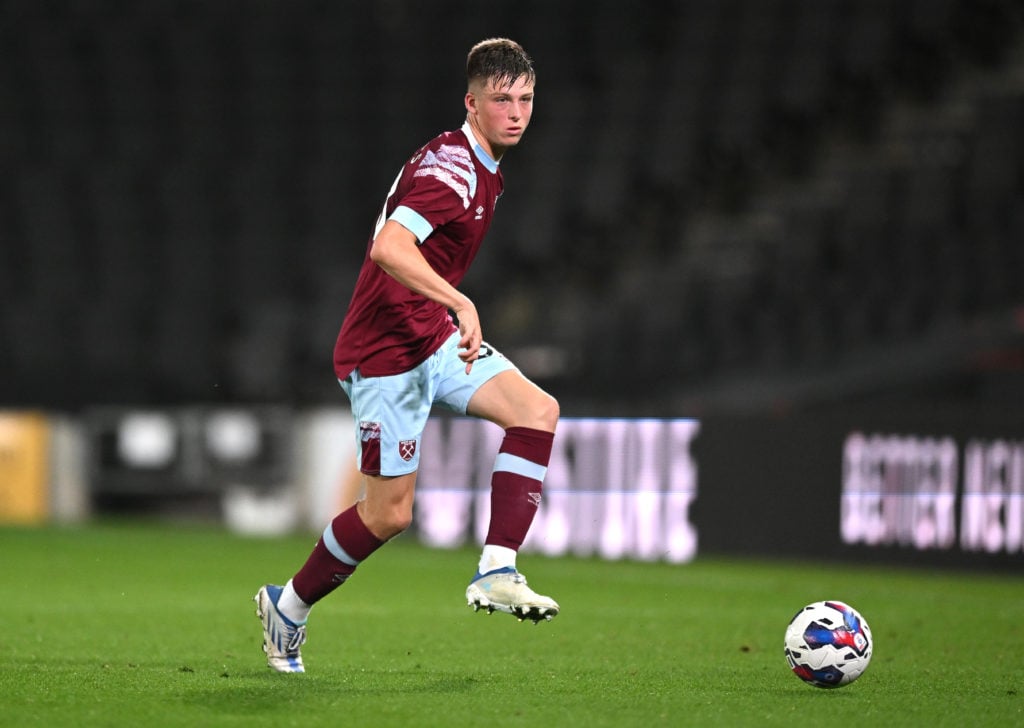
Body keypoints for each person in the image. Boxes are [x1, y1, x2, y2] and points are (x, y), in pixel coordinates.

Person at [254, 38, 560, 674]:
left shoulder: (483, 163)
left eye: (525, 99)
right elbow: (389, 248)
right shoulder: (451, 171)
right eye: (501, 100)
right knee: (388, 515)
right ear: (471, 104)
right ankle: (289, 607)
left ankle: (497, 570)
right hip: (383, 351)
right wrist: (463, 302)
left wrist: (446, 313)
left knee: (536, 411)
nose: (516, 112)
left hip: (430, 335)